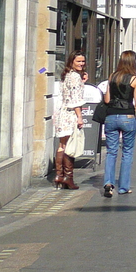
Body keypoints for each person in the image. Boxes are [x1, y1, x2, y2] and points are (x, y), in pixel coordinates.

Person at [101, 50, 136, 197]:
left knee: (111, 152)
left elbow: (107, 100)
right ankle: (124, 187)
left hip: (111, 117)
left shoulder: (112, 77)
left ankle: (108, 183)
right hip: (127, 117)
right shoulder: (135, 80)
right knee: (127, 152)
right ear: (133, 62)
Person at [53, 50, 87, 189]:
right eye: (78, 61)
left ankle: (59, 176)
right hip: (71, 114)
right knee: (70, 146)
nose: (81, 64)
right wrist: (79, 117)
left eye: (83, 61)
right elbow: (75, 100)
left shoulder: (67, 75)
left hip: (62, 112)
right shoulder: (75, 77)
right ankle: (68, 177)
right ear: (72, 61)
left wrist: (83, 81)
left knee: (62, 145)